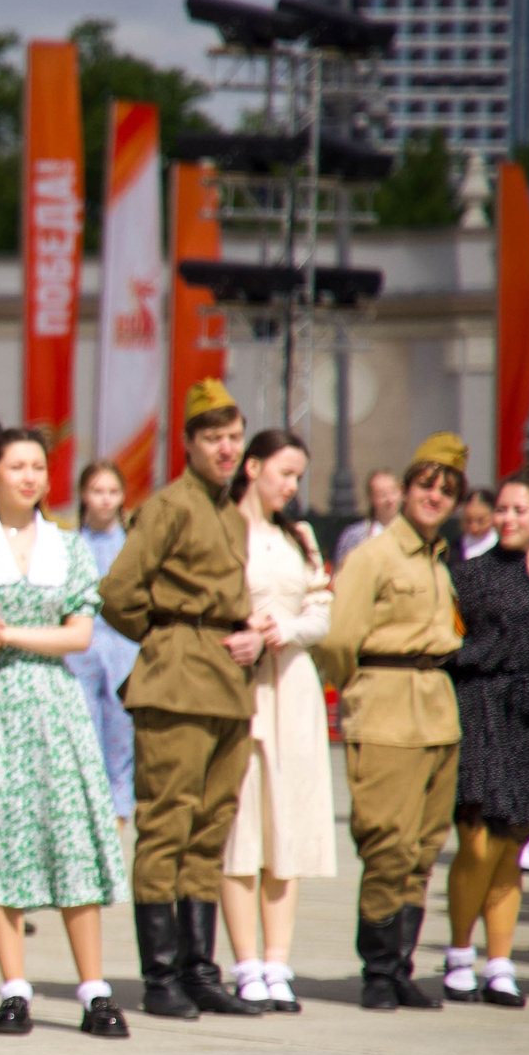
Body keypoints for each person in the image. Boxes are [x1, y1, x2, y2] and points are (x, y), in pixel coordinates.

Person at [0, 430, 130, 1037]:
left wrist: (4, 633)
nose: (29, 477)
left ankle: (94, 988)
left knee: (71, 835)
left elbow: (78, 634)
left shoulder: (68, 545)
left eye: (38, 467)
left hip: (55, 702)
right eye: (16, 466)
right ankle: (14, 987)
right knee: (0, 836)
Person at [99, 380, 265, 1021]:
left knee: (210, 827)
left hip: (227, 681)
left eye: (233, 437)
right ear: (190, 444)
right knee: (166, 825)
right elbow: (118, 591)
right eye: (213, 438)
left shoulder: (230, 511)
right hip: (178, 679)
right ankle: (161, 974)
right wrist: (167, 638)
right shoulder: (169, 506)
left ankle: (200, 970)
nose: (226, 449)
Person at [316, 435, 466, 1011]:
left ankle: (400, 965)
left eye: (447, 489)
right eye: (427, 485)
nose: (436, 496)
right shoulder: (375, 556)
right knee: (387, 844)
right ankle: (378, 970)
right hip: (384, 705)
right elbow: (337, 640)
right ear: (404, 490)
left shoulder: (437, 556)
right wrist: (361, 688)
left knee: (424, 848)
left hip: (436, 710)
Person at [439, 470, 529, 1008]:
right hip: (483, 705)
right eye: (503, 510)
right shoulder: (469, 575)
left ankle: (499, 961)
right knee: (477, 839)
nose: (508, 519)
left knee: (513, 845)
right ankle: (457, 953)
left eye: (520, 511)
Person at [216, 430, 334, 1014]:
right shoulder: (224, 527)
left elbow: (321, 612)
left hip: (292, 685)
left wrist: (284, 630)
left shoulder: (301, 536)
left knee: (287, 821)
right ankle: (244, 961)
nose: (290, 486)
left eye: (298, 477)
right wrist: (244, 628)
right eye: (284, 473)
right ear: (252, 466)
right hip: (240, 686)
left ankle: (278, 960)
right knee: (241, 825)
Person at [66, 461, 138, 824]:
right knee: (84, 730)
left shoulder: (132, 546)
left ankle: (120, 809)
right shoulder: (70, 545)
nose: (105, 500)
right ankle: (86, 810)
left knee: (121, 731)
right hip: (80, 650)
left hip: (124, 649)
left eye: (112, 492)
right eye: (98, 491)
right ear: (83, 495)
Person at [333, 468, 400, 567]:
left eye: (393, 492)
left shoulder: (413, 532)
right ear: (371, 498)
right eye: (382, 495)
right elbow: (342, 573)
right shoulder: (354, 536)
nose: (389, 500)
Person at [458, 487, 499, 560]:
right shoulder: (454, 550)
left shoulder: (503, 548)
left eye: (481, 521)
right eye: (468, 521)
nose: (474, 527)